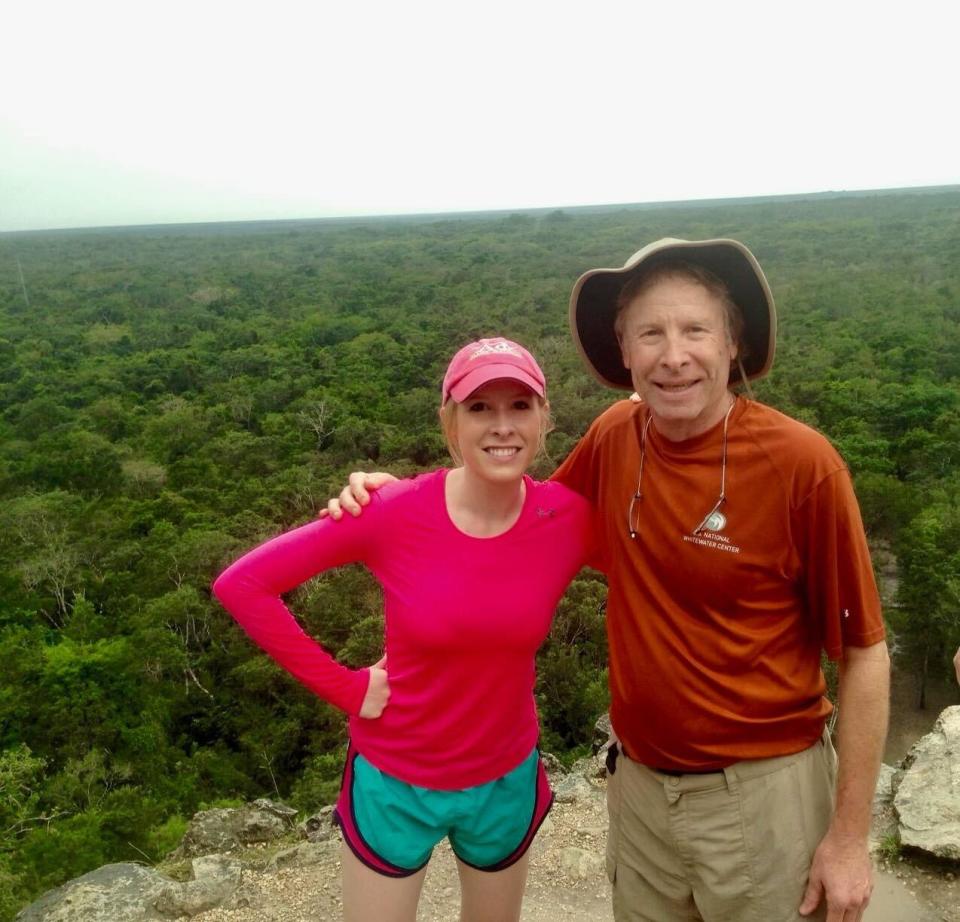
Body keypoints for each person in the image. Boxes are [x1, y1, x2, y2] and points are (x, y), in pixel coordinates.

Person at [328, 238, 890, 922]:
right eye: (650, 333)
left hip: (764, 794)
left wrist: (850, 838)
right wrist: (400, 503)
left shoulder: (802, 465)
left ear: (733, 343)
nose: (673, 354)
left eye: (695, 330)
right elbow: (517, 529)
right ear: (624, 351)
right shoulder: (617, 435)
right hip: (640, 790)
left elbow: (863, 652)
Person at [213, 337, 594, 922]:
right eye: (479, 407)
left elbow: (664, 563)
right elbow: (242, 585)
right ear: (451, 422)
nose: (502, 426)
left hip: (504, 775)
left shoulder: (566, 518)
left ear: (544, 418)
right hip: (397, 777)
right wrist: (344, 688)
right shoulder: (392, 510)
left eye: (520, 406)